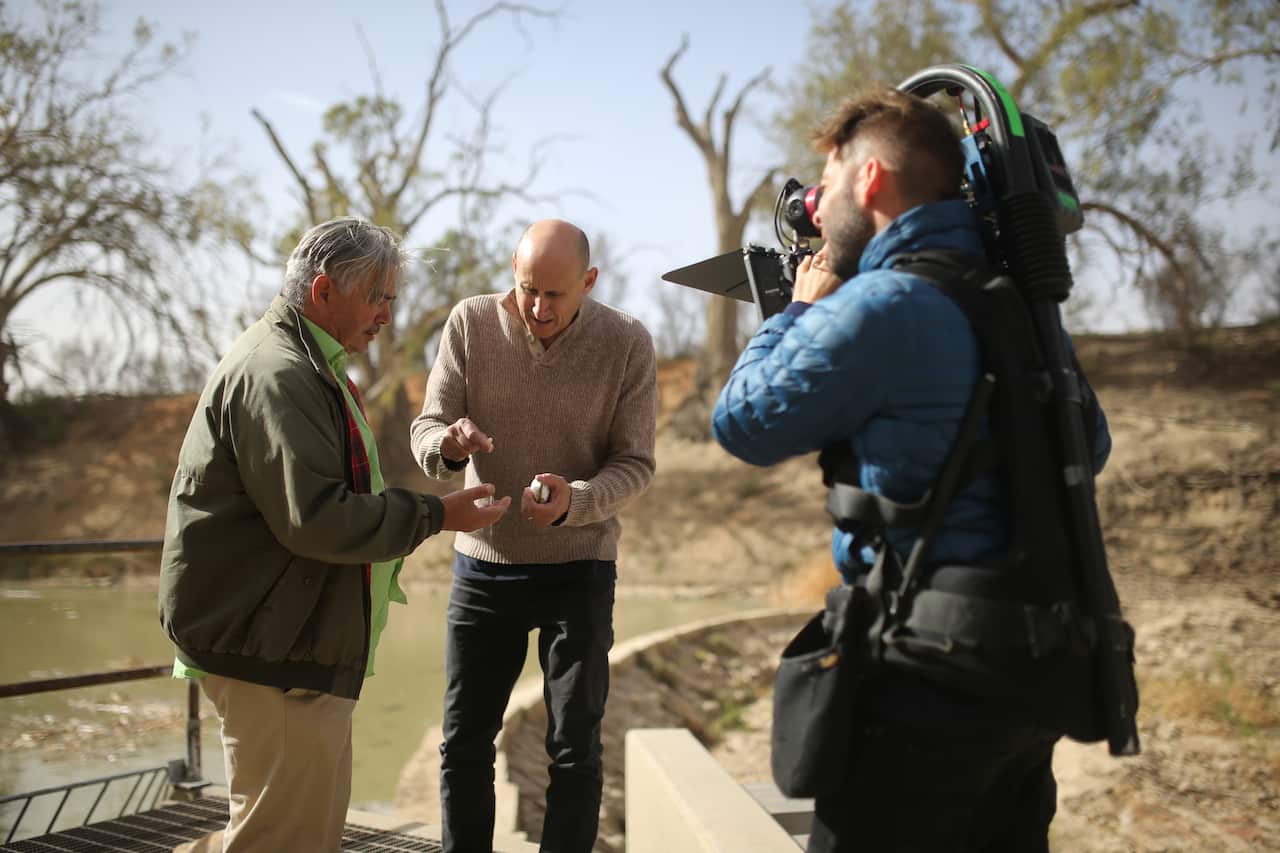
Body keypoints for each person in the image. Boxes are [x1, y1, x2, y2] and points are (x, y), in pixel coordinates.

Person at [711, 87, 1112, 852]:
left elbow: (743, 422)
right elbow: (1088, 447)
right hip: (1032, 681)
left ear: (868, 182)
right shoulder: (1017, 304)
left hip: (925, 686)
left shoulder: (885, 305)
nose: (815, 211)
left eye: (823, 187)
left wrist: (797, 311)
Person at [159, 217, 510, 853]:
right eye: (377, 297)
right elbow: (317, 518)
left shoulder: (307, 363)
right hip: (271, 647)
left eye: (391, 298)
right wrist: (438, 516)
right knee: (278, 840)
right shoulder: (281, 374)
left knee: (299, 834)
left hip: (291, 639)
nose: (387, 315)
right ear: (323, 293)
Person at [410, 218, 656, 853]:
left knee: (574, 746)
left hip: (580, 564)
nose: (538, 308)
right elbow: (427, 428)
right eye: (526, 291)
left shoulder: (627, 341)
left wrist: (575, 501)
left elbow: (636, 464)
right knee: (464, 740)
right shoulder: (469, 324)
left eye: (555, 294)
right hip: (485, 567)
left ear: (589, 282)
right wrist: (448, 443)